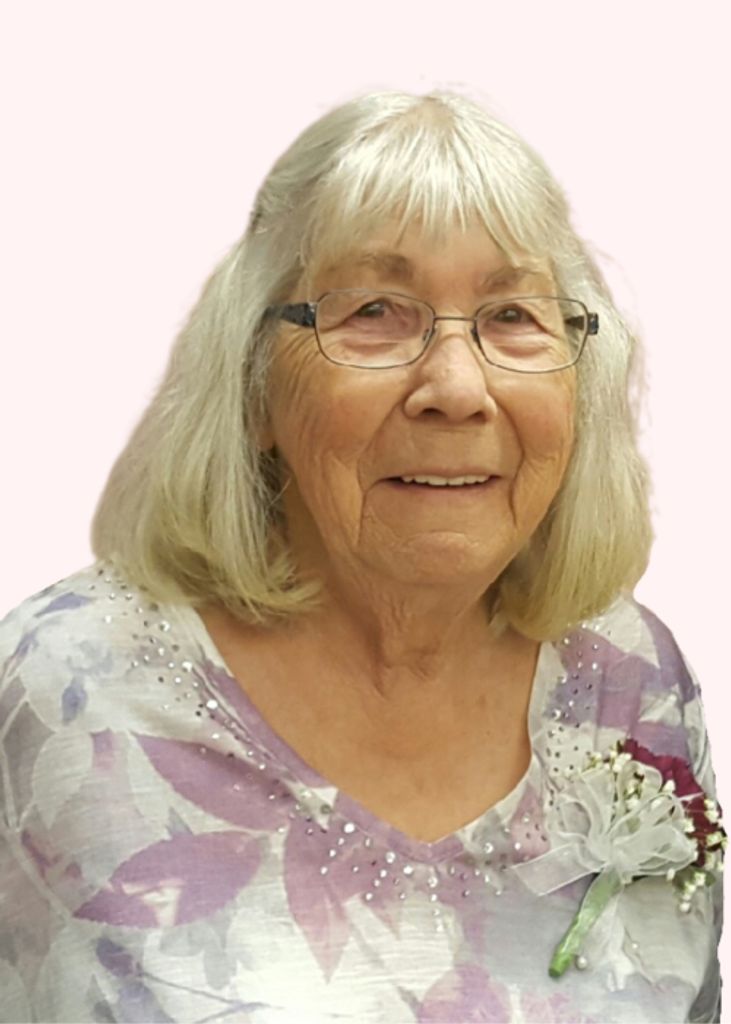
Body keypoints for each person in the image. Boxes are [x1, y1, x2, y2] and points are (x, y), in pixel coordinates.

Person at [0, 91, 723, 1024]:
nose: (456, 387)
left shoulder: (633, 680)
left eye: (512, 315)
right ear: (254, 386)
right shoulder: (67, 687)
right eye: (375, 311)